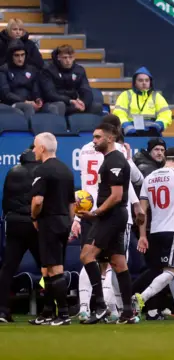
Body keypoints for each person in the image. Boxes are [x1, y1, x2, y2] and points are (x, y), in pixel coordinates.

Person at [72, 115, 144, 322]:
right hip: (114, 216)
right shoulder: (111, 158)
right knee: (119, 263)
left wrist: (96, 212)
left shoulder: (115, 160)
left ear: (110, 138)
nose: (93, 141)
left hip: (110, 217)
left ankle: (101, 305)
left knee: (87, 255)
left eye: (97, 137)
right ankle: (128, 313)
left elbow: (116, 196)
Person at [134, 148, 174, 321]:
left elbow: (142, 211)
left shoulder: (150, 177)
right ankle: (141, 298)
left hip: (154, 231)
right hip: (173, 229)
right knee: (170, 271)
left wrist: (142, 235)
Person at [29, 132, 75, 326]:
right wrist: (69, 223)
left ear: (42, 148)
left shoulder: (42, 170)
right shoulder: (66, 170)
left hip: (49, 221)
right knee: (47, 268)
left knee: (55, 268)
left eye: (34, 146)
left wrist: (33, 217)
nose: (33, 150)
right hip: (64, 220)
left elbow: (38, 201)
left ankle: (63, 314)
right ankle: (48, 312)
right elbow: (72, 203)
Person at [0, 147, 41, 323]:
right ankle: (50, 309)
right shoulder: (42, 172)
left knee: (8, 268)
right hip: (35, 223)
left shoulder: (12, 172)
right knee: (48, 267)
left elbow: (5, 201)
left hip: (15, 223)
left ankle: (2, 310)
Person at [40, 45, 99, 116]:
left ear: (74, 57)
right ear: (58, 57)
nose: (68, 61)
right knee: (60, 106)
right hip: (54, 102)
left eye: (70, 57)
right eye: (65, 57)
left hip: (74, 102)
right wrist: (69, 101)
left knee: (96, 107)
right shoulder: (48, 70)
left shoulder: (79, 70)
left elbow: (86, 90)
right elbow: (50, 94)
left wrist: (84, 103)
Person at [114, 67, 172, 136]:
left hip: (152, 135)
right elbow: (119, 113)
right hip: (130, 134)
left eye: (147, 80)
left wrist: (158, 126)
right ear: (135, 83)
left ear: (150, 83)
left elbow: (166, 114)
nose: (144, 83)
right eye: (140, 80)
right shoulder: (126, 95)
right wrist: (126, 126)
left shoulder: (156, 97)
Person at [0, 40, 43, 118]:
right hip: (10, 104)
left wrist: (38, 99)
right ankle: (30, 129)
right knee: (28, 107)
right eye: (16, 55)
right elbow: (6, 94)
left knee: (52, 107)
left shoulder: (32, 69)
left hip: (30, 102)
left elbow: (35, 88)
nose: (20, 59)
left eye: (22, 55)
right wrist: (25, 101)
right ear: (11, 56)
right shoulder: (3, 70)